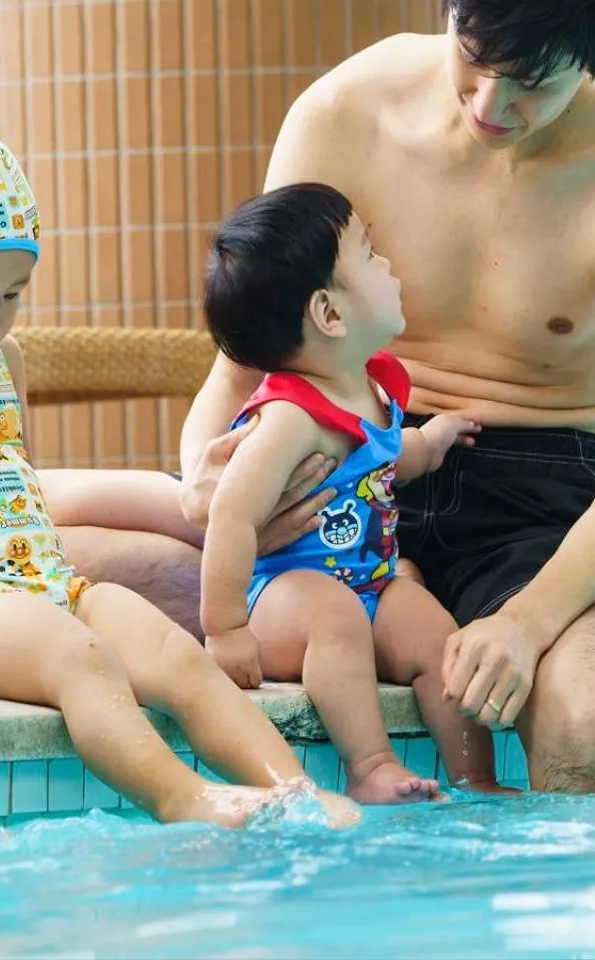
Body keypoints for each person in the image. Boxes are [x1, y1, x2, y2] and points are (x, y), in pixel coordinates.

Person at [44, 0, 595, 795]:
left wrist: (526, 621)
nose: (489, 105)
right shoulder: (346, 113)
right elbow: (243, 365)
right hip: (339, 466)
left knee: (587, 719)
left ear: (592, 56)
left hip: (533, 505)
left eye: (532, 83)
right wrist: (209, 477)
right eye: (474, 56)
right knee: (56, 557)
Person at [0, 124, 357, 829]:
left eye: (13, 293)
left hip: (48, 583)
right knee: (82, 658)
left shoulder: (7, 364)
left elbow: (18, 483)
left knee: (172, 652)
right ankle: (184, 797)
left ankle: (294, 792)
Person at [200, 183, 510, 802]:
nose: (386, 263)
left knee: (432, 628)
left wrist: (435, 439)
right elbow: (231, 515)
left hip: (368, 583)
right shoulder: (289, 419)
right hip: (284, 599)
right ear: (330, 314)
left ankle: (477, 779)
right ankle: (370, 766)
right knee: (336, 618)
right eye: (368, 254)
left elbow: (392, 458)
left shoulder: (369, 389)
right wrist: (226, 627)